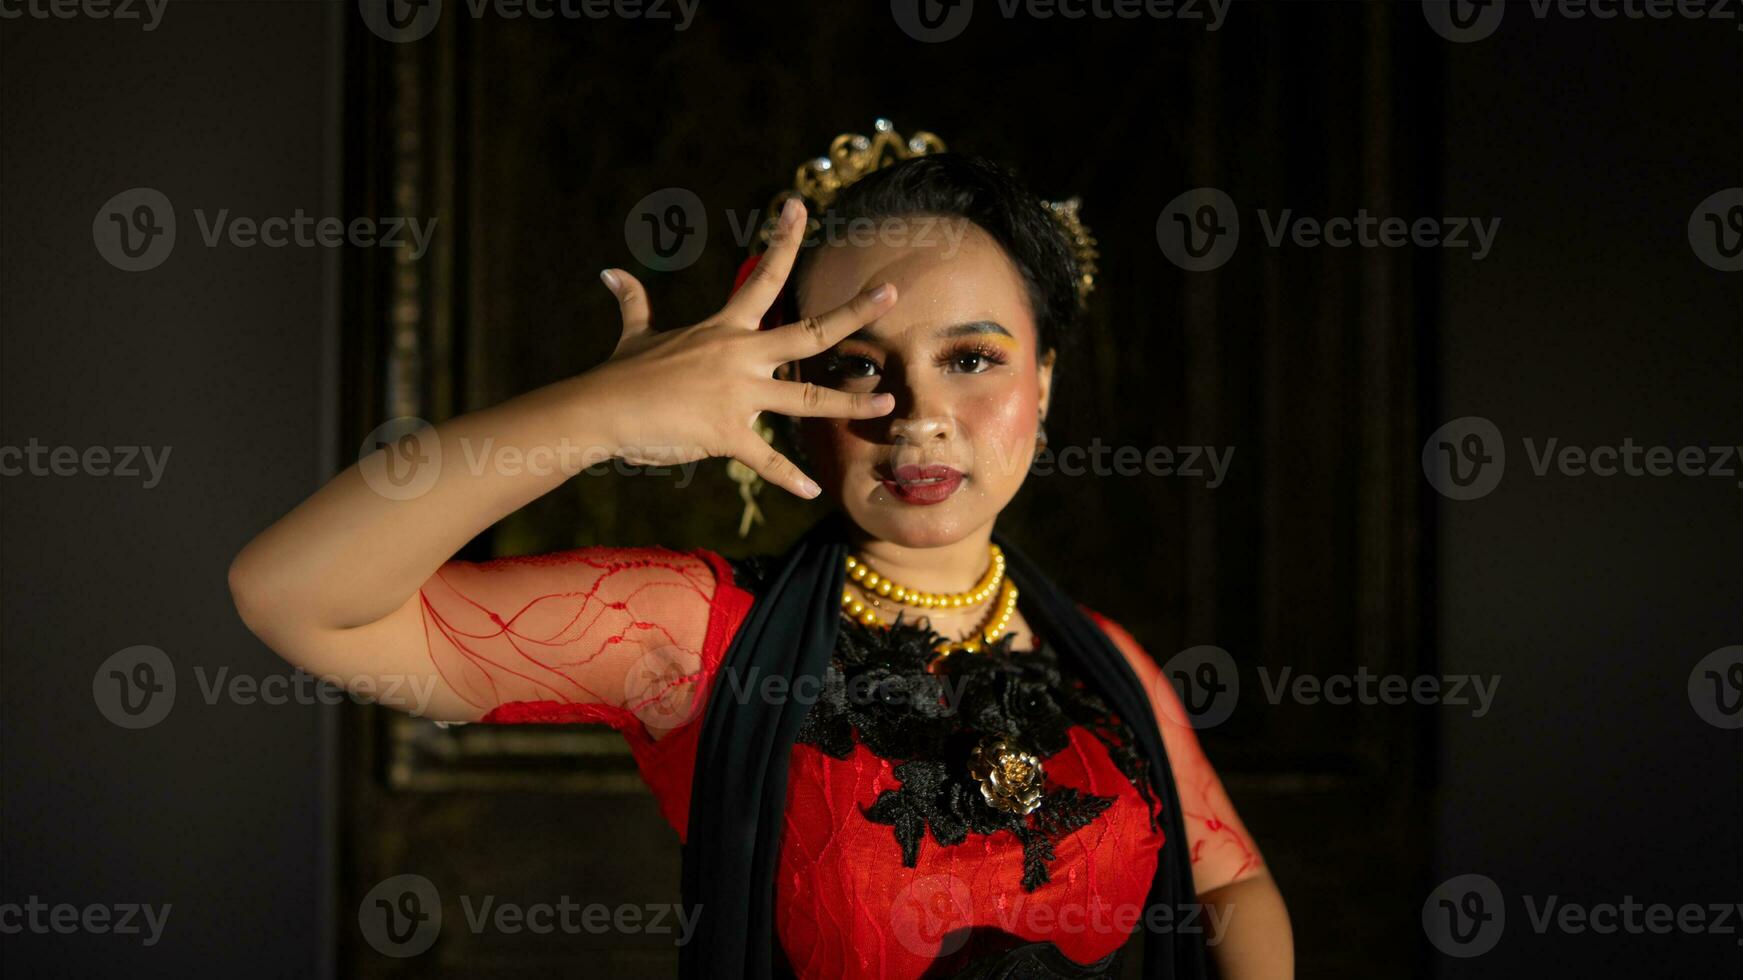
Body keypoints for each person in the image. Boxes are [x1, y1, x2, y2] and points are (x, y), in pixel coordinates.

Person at [228, 126, 1294, 978]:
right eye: (858, 366)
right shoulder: (694, 630)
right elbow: (292, 595)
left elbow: (1232, 885)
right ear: (790, 396)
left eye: (972, 357)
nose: (919, 415)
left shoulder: (1101, 661)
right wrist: (597, 414)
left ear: (1046, 383)